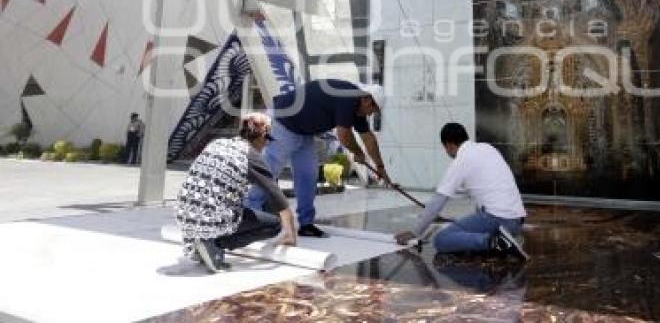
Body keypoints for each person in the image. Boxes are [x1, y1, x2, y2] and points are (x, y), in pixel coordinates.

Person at [246, 79, 388, 238]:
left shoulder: (358, 109)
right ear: (366, 98)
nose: (370, 114)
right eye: (372, 109)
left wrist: (380, 167)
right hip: (282, 121)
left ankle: (306, 224)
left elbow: (368, 138)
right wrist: (358, 153)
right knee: (270, 170)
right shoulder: (348, 98)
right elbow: (344, 136)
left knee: (308, 175)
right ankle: (250, 217)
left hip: (304, 131)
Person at [176, 113, 297, 273]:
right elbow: (279, 200)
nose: (267, 144)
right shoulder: (250, 156)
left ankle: (202, 244)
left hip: (185, 215)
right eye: (267, 139)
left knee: (232, 206)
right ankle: (215, 243)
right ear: (261, 136)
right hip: (210, 218)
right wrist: (291, 234)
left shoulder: (217, 143)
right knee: (274, 224)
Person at [395, 123, 528, 260]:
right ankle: (505, 238)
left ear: (449, 145)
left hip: (499, 220)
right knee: (467, 224)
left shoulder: (461, 160)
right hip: (517, 222)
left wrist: (415, 232)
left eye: (445, 148)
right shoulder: (487, 148)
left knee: (442, 239)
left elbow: (437, 202)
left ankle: (495, 242)